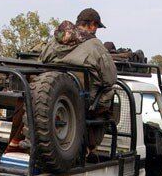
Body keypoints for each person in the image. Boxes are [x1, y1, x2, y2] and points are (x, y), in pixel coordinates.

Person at [39, 8, 118, 150]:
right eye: (97, 27)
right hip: (83, 100)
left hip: (47, 96)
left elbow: (41, 59)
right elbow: (111, 78)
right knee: (108, 95)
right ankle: (88, 147)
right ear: (92, 25)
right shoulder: (95, 45)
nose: (96, 30)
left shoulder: (54, 41)